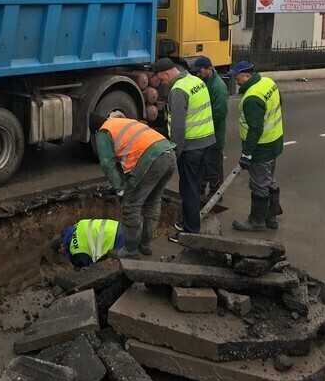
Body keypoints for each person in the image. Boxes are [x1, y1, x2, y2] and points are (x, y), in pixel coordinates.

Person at [90, 113, 176, 258]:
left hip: (152, 160)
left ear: (95, 131)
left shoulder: (103, 132)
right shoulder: (120, 122)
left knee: (131, 206)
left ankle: (130, 251)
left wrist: (119, 188)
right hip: (169, 154)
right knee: (152, 202)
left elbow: (107, 163)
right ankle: (145, 245)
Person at [153, 58, 215, 242]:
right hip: (205, 143)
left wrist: (175, 152)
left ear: (166, 74)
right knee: (195, 187)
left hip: (190, 147)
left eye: (161, 79)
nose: (163, 84)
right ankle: (191, 222)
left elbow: (178, 127)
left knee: (188, 190)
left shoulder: (178, 91)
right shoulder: (197, 81)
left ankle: (189, 233)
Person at [229, 61, 284, 232]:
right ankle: (272, 216)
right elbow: (280, 101)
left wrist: (247, 154)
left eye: (238, 78)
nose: (236, 82)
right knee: (269, 178)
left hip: (261, 147)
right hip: (275, 140)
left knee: (259, 183)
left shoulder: (252, 97)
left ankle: (256, 221)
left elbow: (255, 129)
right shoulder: (268, 82)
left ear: (247, 76)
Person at [191, 56, 229, 198]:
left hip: (213, 137)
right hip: (206, 135)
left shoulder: (218, 87)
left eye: (200, 71)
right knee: (204, 165)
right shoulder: (205, 82)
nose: (198, 75)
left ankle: (215, 193)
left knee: (213, 167)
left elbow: (219, 114)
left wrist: (205, 129)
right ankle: (201, 190)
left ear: (209, 69)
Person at [51, 219, 124, 267]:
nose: (61, 254)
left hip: (114, 239)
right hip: (117, 226)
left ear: (61, 246)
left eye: (59, 251)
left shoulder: (76, 251)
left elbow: (89, 267)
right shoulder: (75, 226)